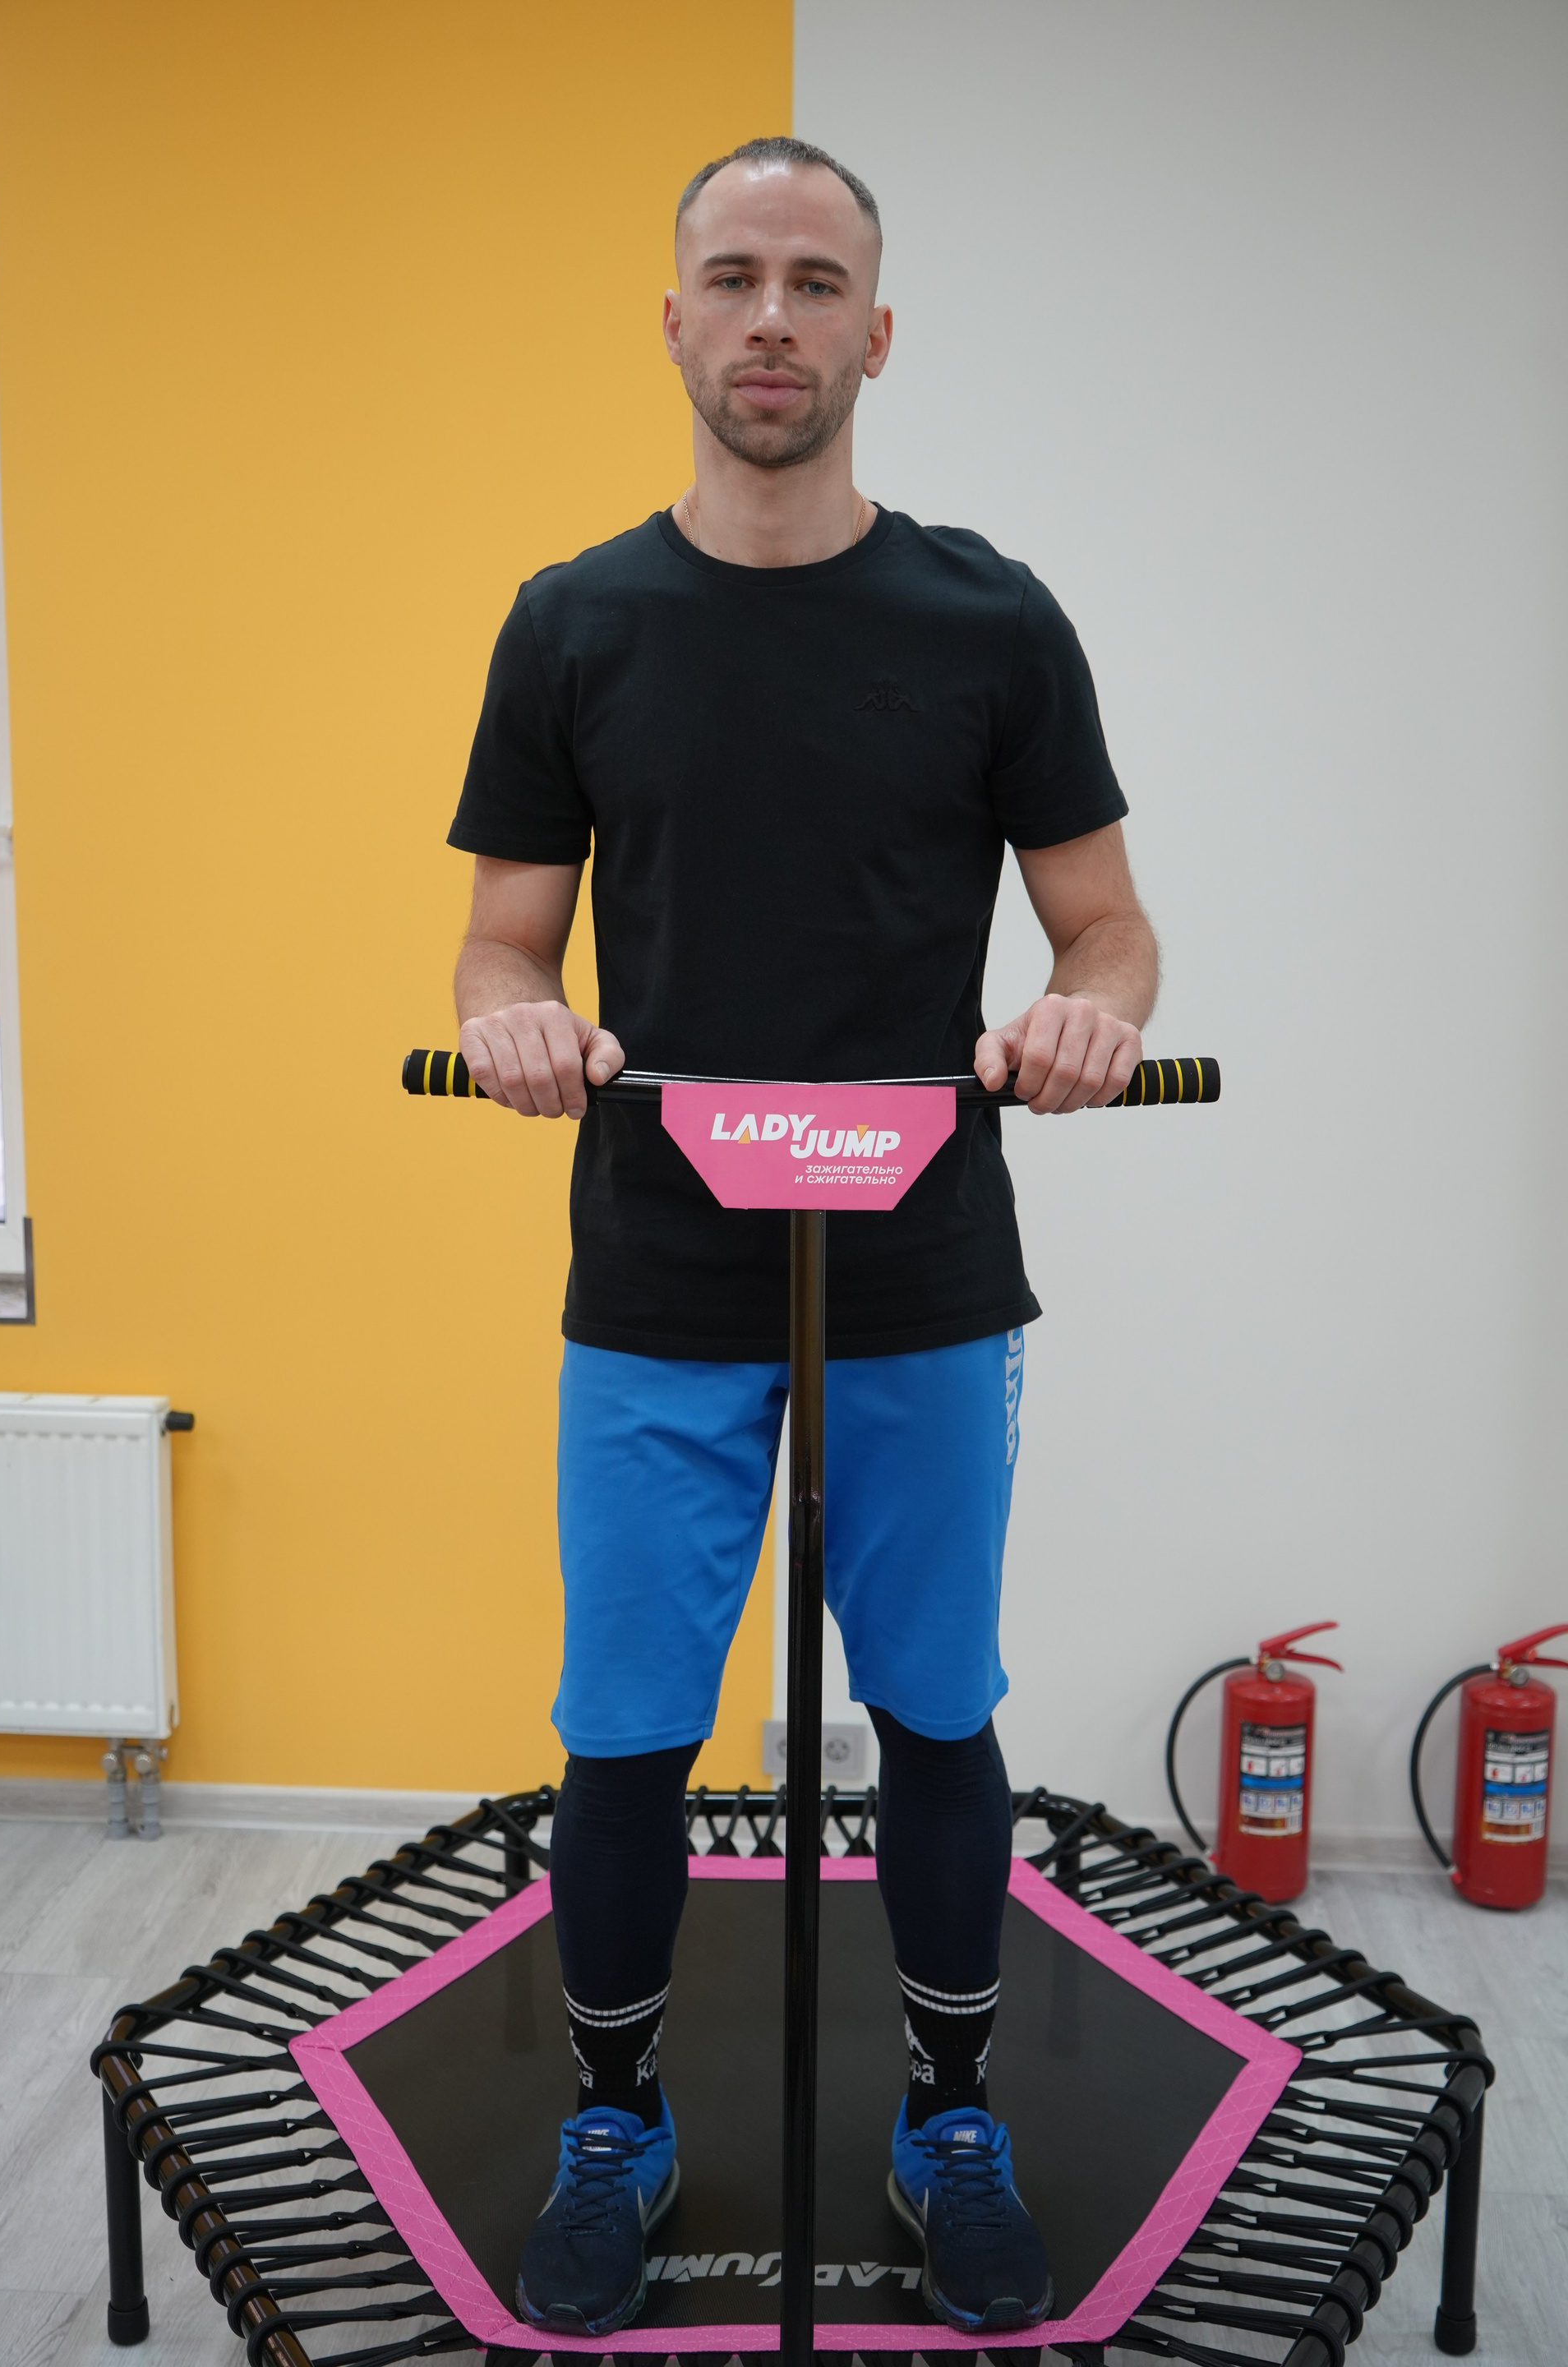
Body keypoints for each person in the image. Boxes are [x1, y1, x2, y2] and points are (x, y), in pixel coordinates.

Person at [449, 134, 1158, 2340]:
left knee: (935, 1711)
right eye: (736, 278)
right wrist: (513, 1021)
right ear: (674, 320)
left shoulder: (991, 620)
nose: (774, 317)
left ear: (877, 332)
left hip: (922, 1273)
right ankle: (616, 2120)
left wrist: (1088, 1017)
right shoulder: (572, 622)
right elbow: (500, 944)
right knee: (627, 1730)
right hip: (660, 1279)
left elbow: (1110, 931)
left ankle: (951, 2116)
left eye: (817, 282)